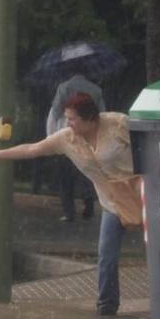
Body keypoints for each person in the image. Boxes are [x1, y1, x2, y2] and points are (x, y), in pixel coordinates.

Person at [0, 92, 142, 316]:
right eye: (67, 118)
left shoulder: (116, 123)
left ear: (89, 119)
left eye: (72, 119)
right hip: (111, 201)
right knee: (106, 255)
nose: (68, 123)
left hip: (143, 193)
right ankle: (106, 307)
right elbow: (33, 149)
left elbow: (149, 142)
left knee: (158, 249)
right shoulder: (66, 138)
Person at [46, 73, 105, 222]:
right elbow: (103, 115)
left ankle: (69, 211)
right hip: (87, 139)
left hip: (66, 138)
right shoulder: (96, 90)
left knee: (65, 178)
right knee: (86, 174)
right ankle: (88, 205)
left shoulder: (63, 88)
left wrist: (51, 138)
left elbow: (54, 114)